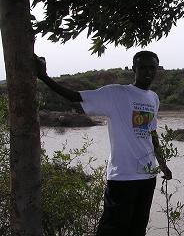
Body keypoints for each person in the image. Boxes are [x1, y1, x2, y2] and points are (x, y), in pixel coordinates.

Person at [35, 51, 172, 236]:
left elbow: (152, 133)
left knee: (138, 229)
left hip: (148, 176)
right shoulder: (116, 94)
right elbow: (76, 97)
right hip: (123, 177)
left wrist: (162, 165)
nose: (148, 72)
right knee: (111, 229)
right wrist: (44, 77)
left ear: (157, 69)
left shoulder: (153, 98)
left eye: (152, 68)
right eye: (143, 68)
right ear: (134, 69)